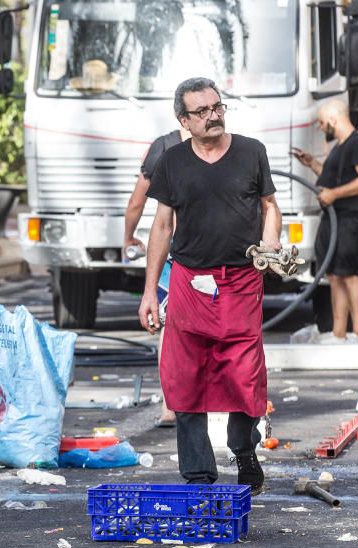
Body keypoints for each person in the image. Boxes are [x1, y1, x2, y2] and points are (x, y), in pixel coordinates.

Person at [138, 77, 282, 494]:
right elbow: (162, 224)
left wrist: (271, 240)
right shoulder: (172, 161)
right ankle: (199, 478)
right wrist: (151, 290)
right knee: (184, 377)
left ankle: (243, 448)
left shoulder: (252, 151)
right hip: (188, 281)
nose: (213, 116)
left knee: (245, 377)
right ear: (183, 119)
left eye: (217, 107)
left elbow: (269, 206)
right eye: (201, 111)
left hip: (240, 280)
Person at [292, 99, 358, 344]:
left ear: (333, 119)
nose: (320, 127)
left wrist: (334, 195)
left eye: (321, 122)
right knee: (334, 275)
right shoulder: (339, 148)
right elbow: (336, 179)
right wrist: (313, 164)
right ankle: (339, 334)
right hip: (335, 218)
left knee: (350, 275)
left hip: (352, 218)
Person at [124, 127, 190, 427]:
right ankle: (209, 400)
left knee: (168, 328)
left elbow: (137, 202)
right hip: (207, 252)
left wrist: (129, 237)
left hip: (172, 253)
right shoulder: (218, 145)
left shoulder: (161, 148)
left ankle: (169, 404)